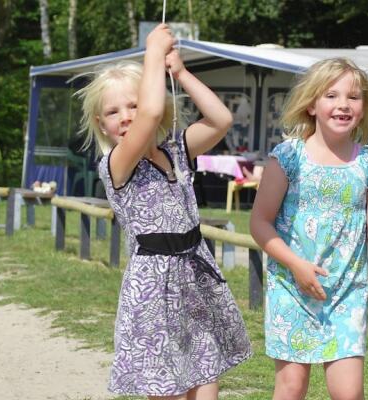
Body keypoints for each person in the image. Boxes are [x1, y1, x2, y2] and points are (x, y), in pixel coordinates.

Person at [76, 24, 251, 399]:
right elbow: (151, 114)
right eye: (113, 111)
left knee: (206, 378)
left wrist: (181, 72)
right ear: (100, 124)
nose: (125, 116)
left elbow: (221, 120)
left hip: (193, 275)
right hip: (153, 289)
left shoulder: (177, 151)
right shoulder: (117, 164)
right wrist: (152, 51)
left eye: (133, 104)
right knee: (165, 387)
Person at [250, 58, 368, 400]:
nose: (343, 105)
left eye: (353, 97)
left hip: (346, 294)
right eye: (331, 95)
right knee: (291, 387)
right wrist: (296, 265)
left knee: (348, 393)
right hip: (291, 288)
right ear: (311, 104)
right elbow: (260, 223)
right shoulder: (288, 157)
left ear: (364, 107)